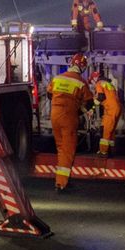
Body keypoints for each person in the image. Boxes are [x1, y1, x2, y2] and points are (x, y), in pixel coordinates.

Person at [49, 53, 91, 192]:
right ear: (82, 67)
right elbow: (90, 103)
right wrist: (79, 110)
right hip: (68, 117)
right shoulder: (81, 81)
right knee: (68, 150)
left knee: (61, 148)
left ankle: (63, 180)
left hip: (54, 115)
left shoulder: (58, 78)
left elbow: (50, 94)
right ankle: (61, 184)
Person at [95, 70, 122, 156]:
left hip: (110, 109)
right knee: (111, 130)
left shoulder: (99, 83)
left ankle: (103, 151)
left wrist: (94, 103)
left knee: (106, 130)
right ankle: (111, 150)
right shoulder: (109, 84)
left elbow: (101, 97)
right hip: (117, 108)